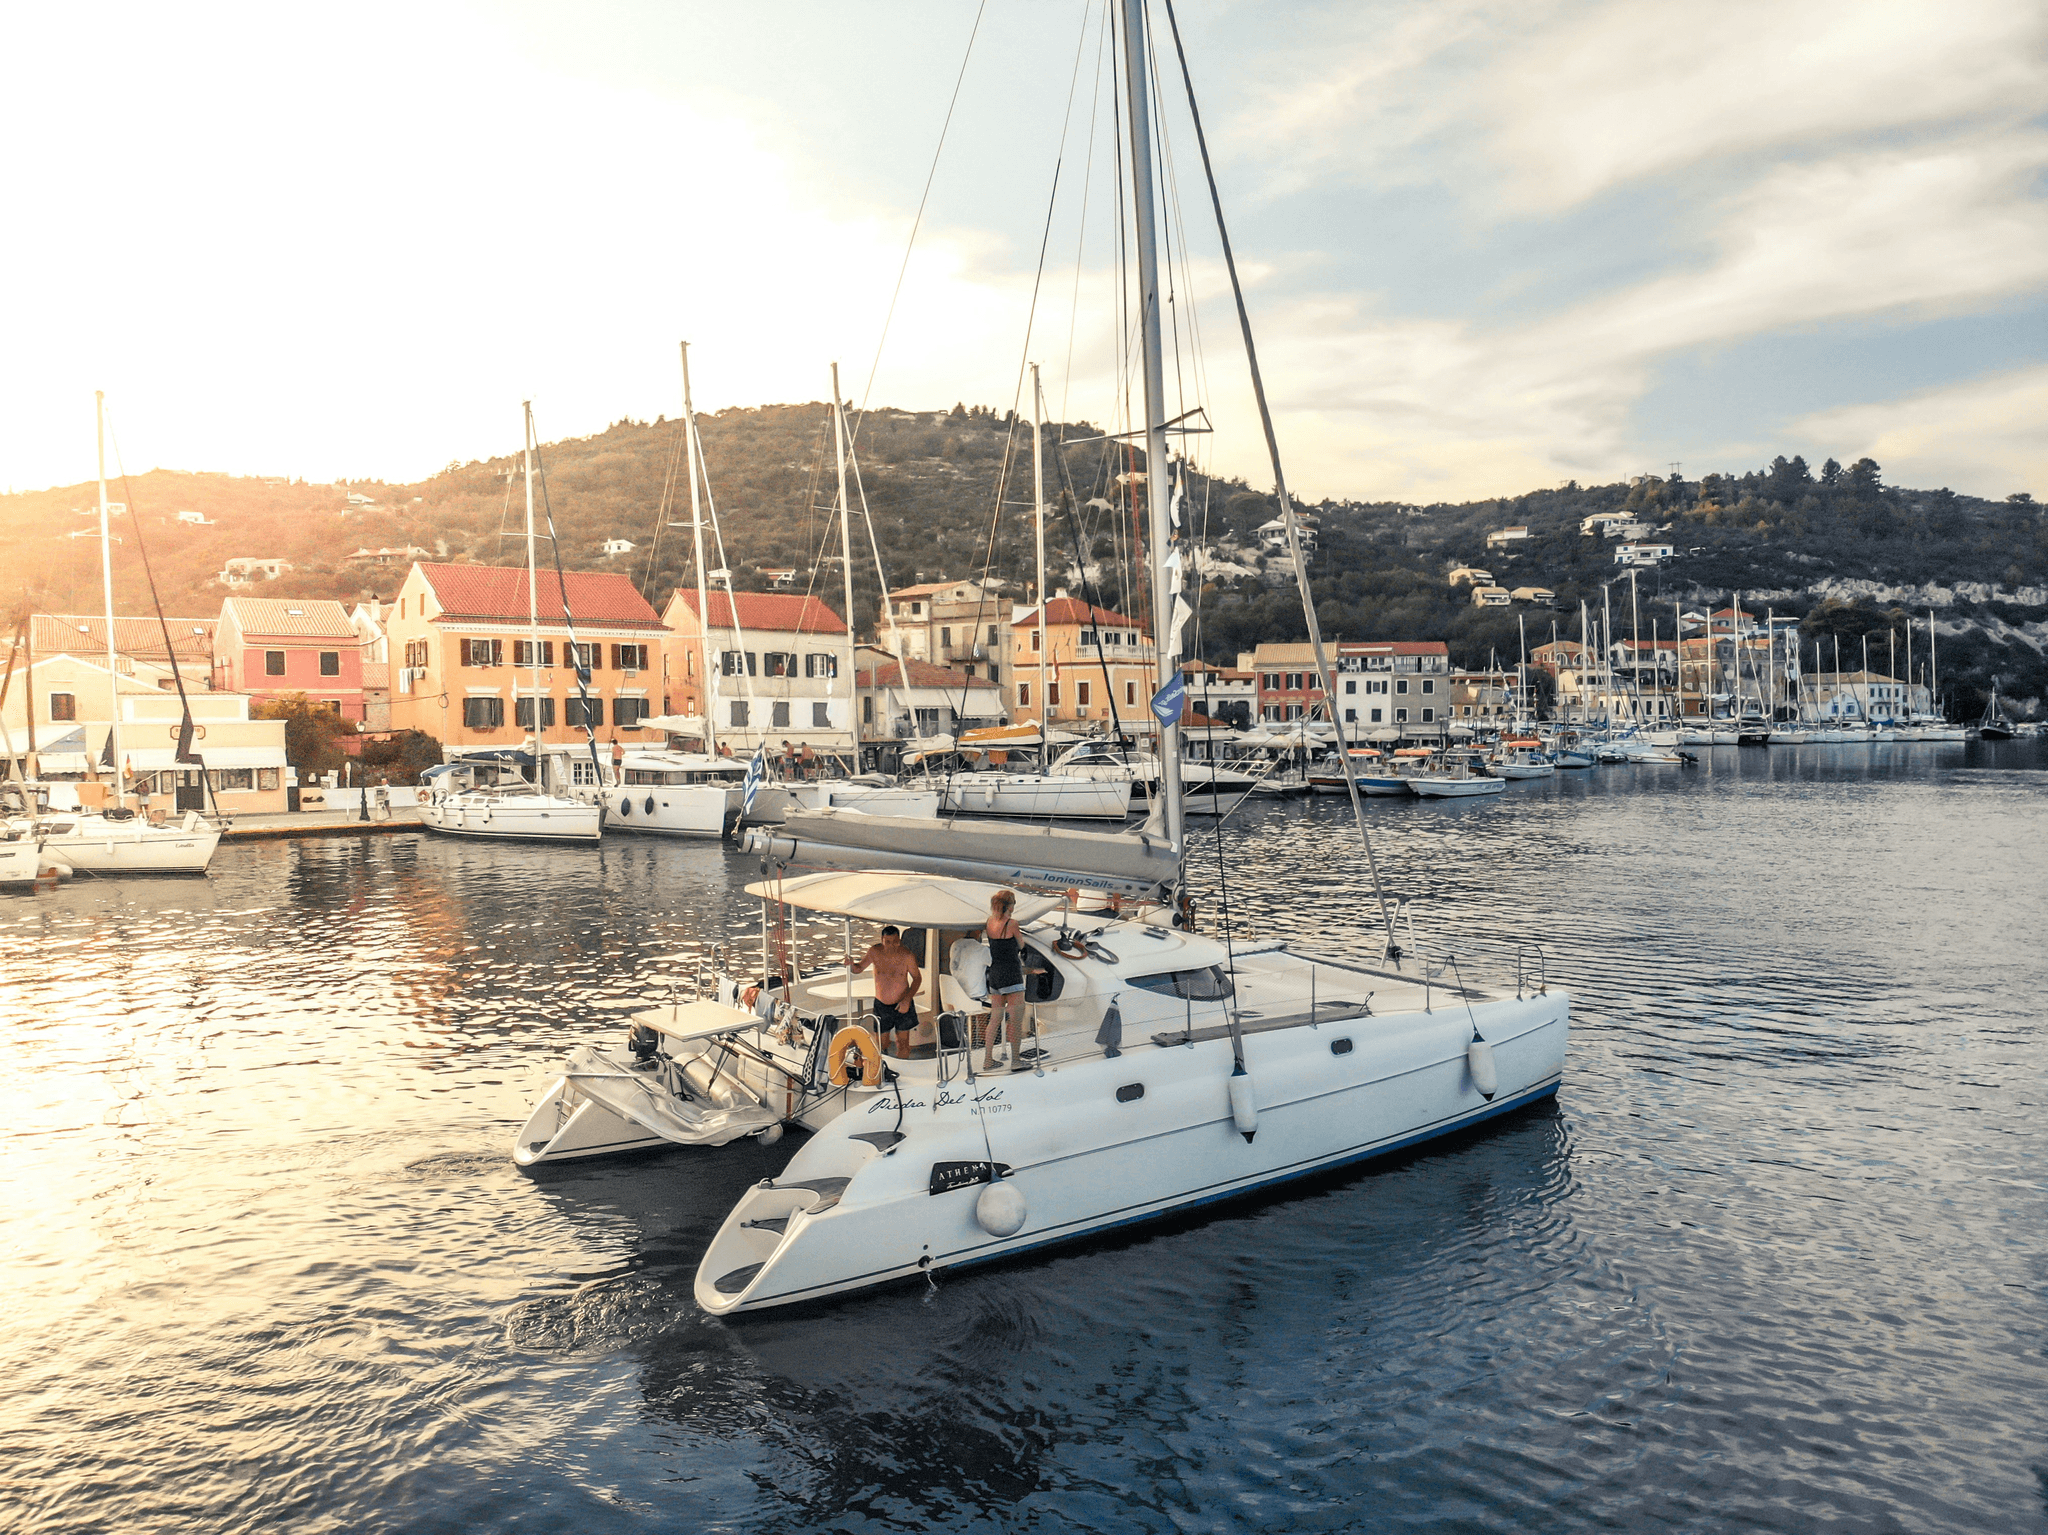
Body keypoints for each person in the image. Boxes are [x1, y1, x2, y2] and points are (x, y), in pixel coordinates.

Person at [851, 924, 922, 1057]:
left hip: (902, 1003)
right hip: (882, 1005)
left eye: (895, 942)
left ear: (899, 941)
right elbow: (858, 969)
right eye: (887, 942)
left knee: (902, 1043)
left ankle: (902, 1066)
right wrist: (850, 964)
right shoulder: (874, 951)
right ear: (882, 940)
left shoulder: (907, 955)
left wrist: (907, 1000)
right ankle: (882, 1065)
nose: (891, 945)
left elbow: (917, 978)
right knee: (881, 1044)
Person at [981, 888, 1030, 1072]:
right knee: (1016, 1021)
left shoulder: (989, 922)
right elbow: (1022, 946)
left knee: (995, 1019)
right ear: (1009, 905)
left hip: (995, 975)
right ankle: (1016, 1061)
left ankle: (988, 1060)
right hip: (1011, 975)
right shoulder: (1012, 924)